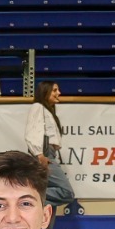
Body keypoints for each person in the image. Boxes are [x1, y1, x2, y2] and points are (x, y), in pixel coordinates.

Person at [24, 81, 75, 212]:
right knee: (66, 192)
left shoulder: (47, 110)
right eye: (55, 90)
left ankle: (34, 203)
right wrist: (39, 154)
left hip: (48, 152)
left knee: (49, 206)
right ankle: (30, 196)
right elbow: (33, 131)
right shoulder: (38, 107)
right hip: (44, 153)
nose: (59, 93)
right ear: (45, 91)